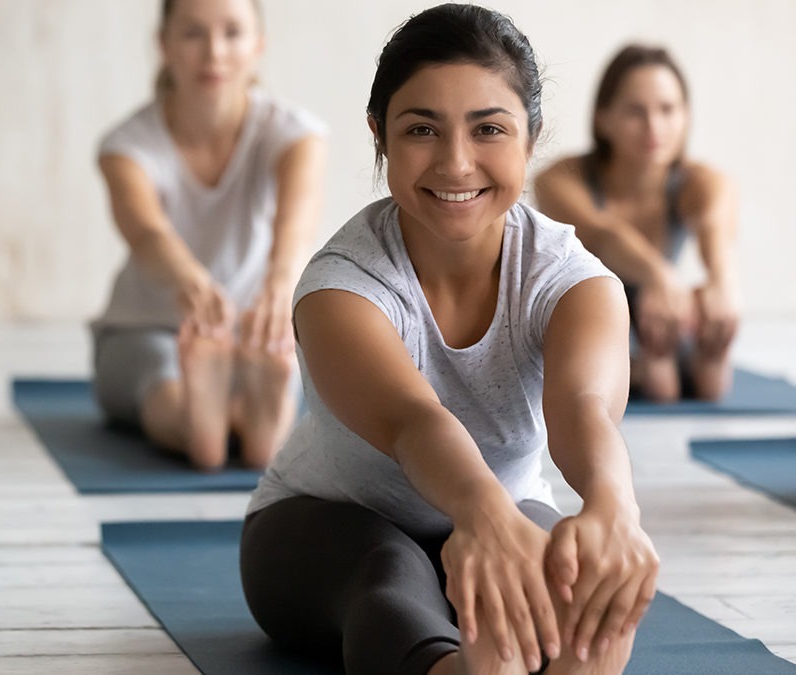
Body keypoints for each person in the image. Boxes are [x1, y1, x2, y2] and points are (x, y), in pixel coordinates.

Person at [239, 5, 658, 674]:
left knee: (588, 603)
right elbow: (414, 422)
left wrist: (614, 509)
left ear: (532, 136)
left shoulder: (574, 279)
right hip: (325, 526)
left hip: (510, 511)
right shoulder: (339, 287)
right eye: (421, 129)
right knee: (389, 572)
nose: (456, 163)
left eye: (489, 128)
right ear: (379, 135)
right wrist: (483, 515)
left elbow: (582, 405)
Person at [91, 0, 326, 469]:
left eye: (232, 33)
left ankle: (241, 419)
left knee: (273, 352)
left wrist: (281, 287)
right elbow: (147, 232)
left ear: (258, 44)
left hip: (253, 334)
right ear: (164, 45)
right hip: (146, 329)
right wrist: (190, 283)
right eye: (194, 34)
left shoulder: (295, 134)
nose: (214, 53)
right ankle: (205, 422)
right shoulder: (127, 145)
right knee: (160, 377)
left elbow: (296, 223)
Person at [535, 45, 739, 403]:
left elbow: (713, 226)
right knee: (657, 382)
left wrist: (721, 285)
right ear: (603, 118)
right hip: (586, 308)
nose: (654, 127)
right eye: (635, 111)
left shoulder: (702, 182)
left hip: (661, 312)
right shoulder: (559, 179)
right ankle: (648, 367)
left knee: (709, 375)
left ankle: (693, 356)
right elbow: (601, 233)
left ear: (686, 116)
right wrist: (658, 275)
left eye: (667, 110)